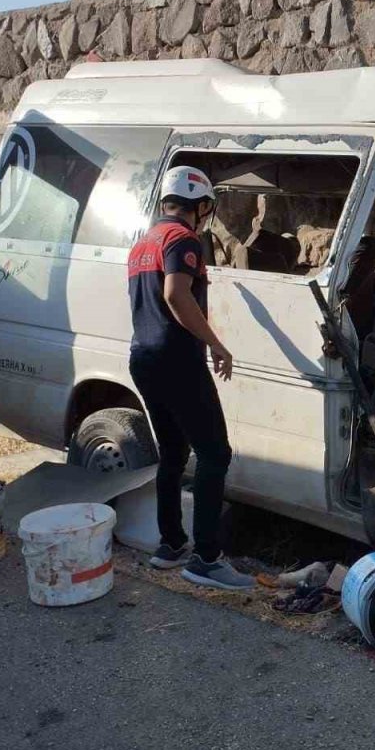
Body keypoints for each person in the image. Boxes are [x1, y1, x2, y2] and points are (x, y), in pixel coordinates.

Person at [127, 165, 254, 590]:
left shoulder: (143, 243)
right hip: (177, 360)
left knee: (174, 453)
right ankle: (207, 558)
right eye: (206, 209)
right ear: (200, 206)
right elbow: (175, 294)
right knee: (215, 454)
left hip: (143, 357)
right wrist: (216, 343)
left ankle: (171, 545)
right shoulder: (184, 239)